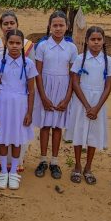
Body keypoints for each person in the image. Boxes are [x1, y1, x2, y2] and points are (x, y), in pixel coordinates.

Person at [0, 11, 35, 172]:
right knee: (0, 128)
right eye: (5, 23)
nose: (9, 26)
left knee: (17, 131)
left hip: (20, 98)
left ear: (17, 24)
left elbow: (31, 78)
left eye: (12, 23)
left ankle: (15, 166)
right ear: (1, 26)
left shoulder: (27, 45)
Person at [66, 26, 111, 185]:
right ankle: (77, 166)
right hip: (82, 100)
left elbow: (108, 86)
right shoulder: (80, 59)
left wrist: (96, 107)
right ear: (87, 41)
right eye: (92, 39)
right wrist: (87, 106)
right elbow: (75, 82)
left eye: (99, 39)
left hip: (99, 102)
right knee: (79, 131)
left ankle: (88, 167)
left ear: (103, 40)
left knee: (93, 134)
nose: (96, 43)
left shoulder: (109, 61)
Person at [32, 11, 78, 180]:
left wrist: (67, 98)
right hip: (45, 88)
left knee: (57, 126)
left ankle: (55, 161)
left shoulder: (72, 48)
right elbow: (37, 72)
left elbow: (73, 75)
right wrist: (43, 96)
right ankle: (43, 159)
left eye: (61, 25)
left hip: (63, 89)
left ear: (67, 27)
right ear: (49, 27)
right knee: (45, 125)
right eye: (55, 25)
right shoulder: (42, 46)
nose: (58, 28)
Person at [0, 29, 37, 190]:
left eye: (18, 43)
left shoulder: (29, 64)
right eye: (11, 43)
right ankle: (3, 171)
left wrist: (30, 112)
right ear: (6, 43)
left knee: (17, 138)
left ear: (23, 45)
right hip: (3, 105)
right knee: (3, 138)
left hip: (20, 107)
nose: (15, 46)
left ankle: (14, 171)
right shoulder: (0, 63)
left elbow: (32, 90)